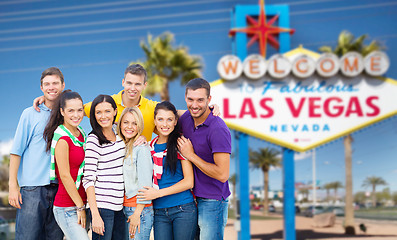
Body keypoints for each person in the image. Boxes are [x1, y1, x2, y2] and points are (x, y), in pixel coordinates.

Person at [9, 67, 65, 240]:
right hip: (32, 189)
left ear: (63, 85)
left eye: (55, 83)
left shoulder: (68, 114)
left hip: (59, 189)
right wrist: (13, 186)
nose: (51, 87)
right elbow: (16, 152)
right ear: (41, 87)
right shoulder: (30, 114)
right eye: (47, 84)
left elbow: (92, 108)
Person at [177, 78, 232, 240]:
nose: (194, 105)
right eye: (190, 99)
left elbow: (223, 174)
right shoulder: (185, 119)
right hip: (189, 198)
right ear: (185, 98)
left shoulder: (218, 129)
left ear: (209, 100)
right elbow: (162, 115)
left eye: (200, 100)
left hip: (212, 200)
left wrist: (191, 155)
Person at [138, 101, 197, 240]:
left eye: (169, 119)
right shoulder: (148, 147)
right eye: (160, 119)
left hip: (183, 208)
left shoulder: (181, 144)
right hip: (159, 212)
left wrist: (158, 193)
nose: (165, 124)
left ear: (175, 121)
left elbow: (189, 182)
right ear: (154, 121)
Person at [43, 90, 89, 240]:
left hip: (82, 203)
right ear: (62, 111)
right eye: (71, 111)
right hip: (68, 207)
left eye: (79, 110)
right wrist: (80, 206)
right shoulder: (62, 138)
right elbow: (64, 175)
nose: (76, 115)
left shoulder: (81, 133)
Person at [82, 94, 126, 240]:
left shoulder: (120, 133)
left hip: (119, 206)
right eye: (98, 112)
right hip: (101, 206)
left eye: (107, 111)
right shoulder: (94, 140)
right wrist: (95, 214)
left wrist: (142, 137)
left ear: (115, 111)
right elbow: (88, 178)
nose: (103, 116)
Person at [116, 107, 154, 240]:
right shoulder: (122, 146)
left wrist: (137, 213)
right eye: (126, 122)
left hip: (139, 210)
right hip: (125, 208)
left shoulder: (141, 149)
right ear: (120, 124)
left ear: (140, 126)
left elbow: (145, 184)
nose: (129, 127)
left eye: (134, 123)